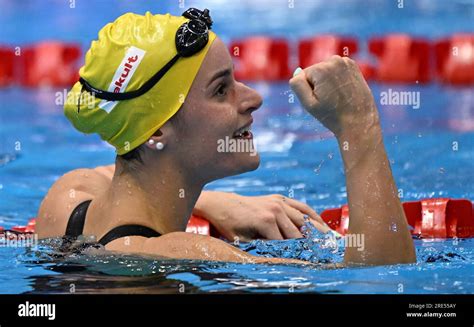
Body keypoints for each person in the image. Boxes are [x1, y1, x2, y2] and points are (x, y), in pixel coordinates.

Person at [36, 8, 416, 266]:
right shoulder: (185, 254)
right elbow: (374, 279)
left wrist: (215, 201)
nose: (253, 98)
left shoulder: (66, 203)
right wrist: (359, 126)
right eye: (221, 90)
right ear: (156, 132)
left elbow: (111, 174)